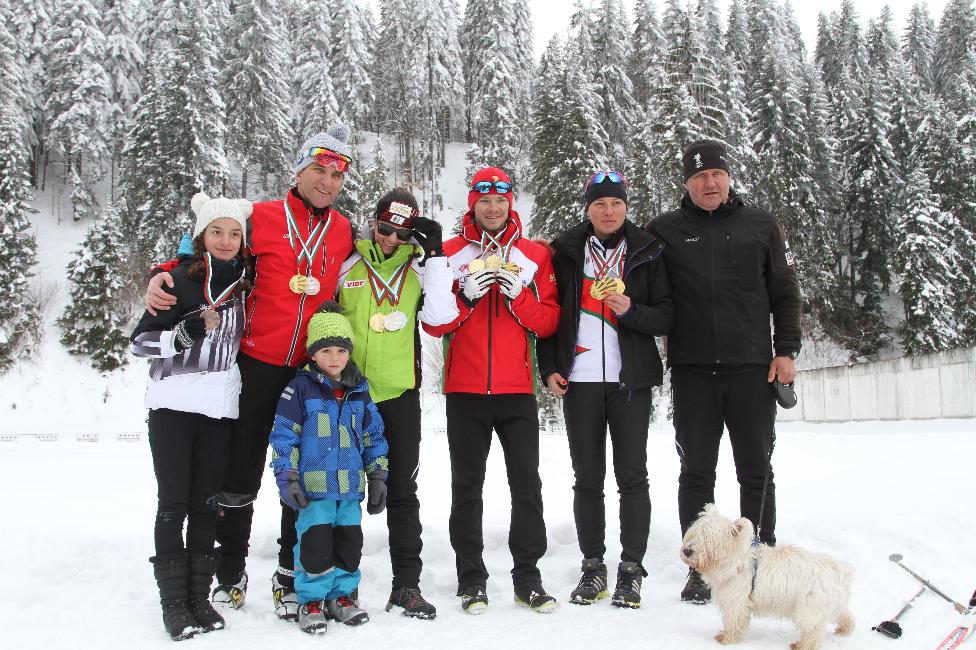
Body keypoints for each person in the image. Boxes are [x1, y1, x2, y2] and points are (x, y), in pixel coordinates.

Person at [145, 123, 356, 617]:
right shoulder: (259, 216)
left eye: (336, 176)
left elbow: (376, 261)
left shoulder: (344, 230)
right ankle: (230, 570)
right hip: (255, 364)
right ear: (299, 171)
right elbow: (203, 243)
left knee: (301, 472)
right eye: (318, 170)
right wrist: (163, 272)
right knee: (239, 473)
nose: (327, 182)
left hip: (307, 372)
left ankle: (290, 572)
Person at [645, 140, 802, 604]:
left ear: (728, 177)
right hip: (692, 371)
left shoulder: (761, 225)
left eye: (715, 174)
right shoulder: (664, 230)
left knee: (756, 470)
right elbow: (625, 257)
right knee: (696, 472)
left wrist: (786, 350)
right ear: (686, 183)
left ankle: (759, 560)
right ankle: (701, 566)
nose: (709, 183)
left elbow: (785, 292)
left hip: (752, 369)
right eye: (699, 176)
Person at [422, 167, 561, 614]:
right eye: (484, 200)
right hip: (464, 389)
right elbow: (434, 324)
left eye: (501, 199)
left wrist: (520, 296)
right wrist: (463, 297)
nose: (493, 207)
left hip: (517, 390)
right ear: (473, 204)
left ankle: (528, 577)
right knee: (467, 487)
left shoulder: (534, 255)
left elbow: (549, 322)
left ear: (510, 203)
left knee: (527, 485)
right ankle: (471, 578)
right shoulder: (449, 254)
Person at [538, 170, 673, 609]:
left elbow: (666, 317)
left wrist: (631, 309)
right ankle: (593, 566)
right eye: (600, 204)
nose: (609, 211)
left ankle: (631, 570)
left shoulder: (648, 251)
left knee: (632, 476)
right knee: (587, 478)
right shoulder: (566, 252)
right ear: (588, 209)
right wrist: (550, 367)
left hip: (628, 381)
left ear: (626, 207)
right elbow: (551, 316)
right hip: (578, 382)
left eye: (616, 203)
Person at [130, 193, 252, 640]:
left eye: (234, 233)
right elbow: (138, 343)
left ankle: (199, 598)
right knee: (173, 504)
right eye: (216, 231)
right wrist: (181, 334)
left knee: (206, 505)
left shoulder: (247, 284)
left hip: (219, 409)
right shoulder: (178, 280)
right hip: (173, 407)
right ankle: (174, 603)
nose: (225, 240)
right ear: (201, 236)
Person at [333, 187, 458, 619]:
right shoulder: (348, 263)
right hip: (347, 397)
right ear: (374, 223)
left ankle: (406, 586)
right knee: (343, 491)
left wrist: (436, 254)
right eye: (385, 229)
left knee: (403, 492)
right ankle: (341, 587)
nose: (391, 239)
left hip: (399, 396)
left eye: (403, 234)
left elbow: (441, 319)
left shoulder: (420, 269)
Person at [268, 301, 388, 634]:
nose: (334, 358)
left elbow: (373, 436)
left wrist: (378, 474)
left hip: (349, 488)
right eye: (326, 350)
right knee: (315, 545)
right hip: (314, 490)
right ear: (313, 353)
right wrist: (288, 478)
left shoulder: (360, 391)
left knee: (349, 543)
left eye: (341, 350)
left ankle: (342, 597)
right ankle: (311, 600)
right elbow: (284, 437)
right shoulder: (300, 388)